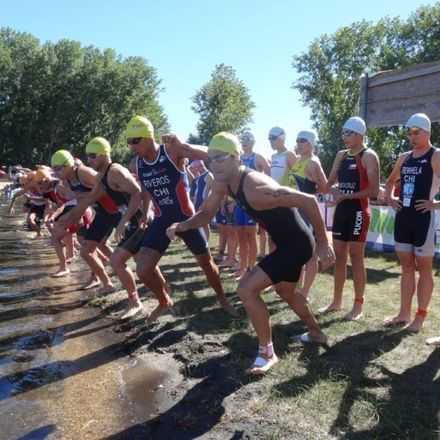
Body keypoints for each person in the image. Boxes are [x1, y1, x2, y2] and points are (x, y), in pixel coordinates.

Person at [167, 132, 335, 375]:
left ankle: (267, 353)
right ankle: (316, 333)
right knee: (286, 291)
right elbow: (206, 213)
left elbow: (308, 200)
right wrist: (181, 226)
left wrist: (322, 243)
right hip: (286, 242)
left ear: (236, 158)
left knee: (246, 289)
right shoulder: (224, 180)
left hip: (297, 244)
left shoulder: (256, 186)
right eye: (210, 159)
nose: (213, 164)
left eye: (220, 158)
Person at [125, 115, 238, 320]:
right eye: (128, 142)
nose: (131, 146)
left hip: (186, 219)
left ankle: (222, 298)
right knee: (143, 269)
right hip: (161, 220)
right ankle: (164, 301)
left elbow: (211, 155)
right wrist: (145, 211)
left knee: (206, 263)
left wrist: (183, 144)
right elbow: (145, 191)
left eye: (135, 141)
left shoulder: (171, 151)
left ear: (149, 137)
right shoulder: (137, 164)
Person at [384, 113, 440, 333]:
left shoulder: (435, 155)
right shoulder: (404, 157)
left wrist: (434, 204)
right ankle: (404, 313)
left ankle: (420, 317)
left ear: (427, 132)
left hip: (423, 219)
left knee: (424, 268)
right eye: (409, 132)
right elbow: (389, 182)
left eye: (416, 132)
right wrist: (390, 199)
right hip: (403, 218)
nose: (411, 136)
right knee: (406, 267)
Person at [321, 117, 380, 320]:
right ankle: (336, 302)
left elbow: (373, 191)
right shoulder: (341, 155)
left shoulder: (369, 156)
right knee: (339, 258)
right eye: (343, 133)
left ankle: (358, 305)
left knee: (356, 258)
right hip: (342, 211)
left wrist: (346, 195)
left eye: (349, 133)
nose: (344, 137)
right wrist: (331, 189)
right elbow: (328, 184)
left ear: (360, 134)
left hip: (358, 212)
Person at [283, 129, 328, 297]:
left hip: (306, 212)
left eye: (302, 140)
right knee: (297, 251)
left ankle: (305, 291)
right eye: (297, 140)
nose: (298, 143)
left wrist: (312, 195)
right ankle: (296, 286)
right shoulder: (298, 161)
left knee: (310, 253)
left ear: (311, 143)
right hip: (294, 210)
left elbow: (324, 187)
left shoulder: (313, 162)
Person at [234, 131, 271, 279]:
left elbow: (268, 174)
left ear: (253, 142)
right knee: (240, 236)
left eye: (248, 140)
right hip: (239, 202)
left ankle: (251, 268)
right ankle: (242, 268)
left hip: (252, 203)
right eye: (242, 140)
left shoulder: (258, 157)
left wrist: (263, 193)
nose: (245, 142)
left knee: (251, 235)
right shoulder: (238, 159)